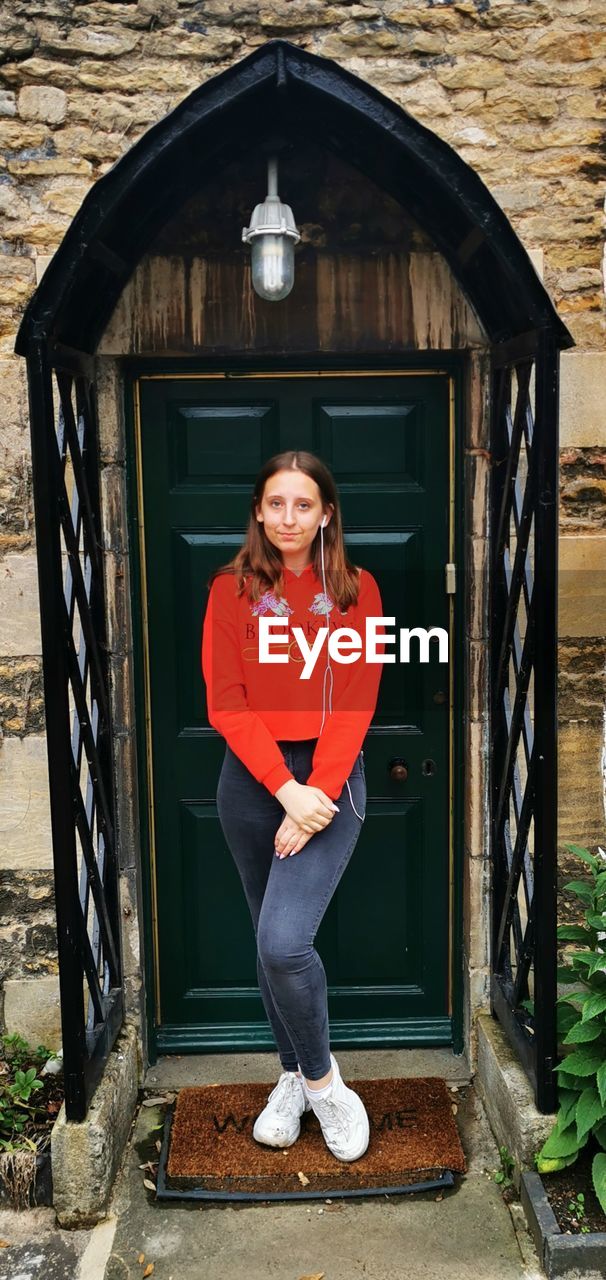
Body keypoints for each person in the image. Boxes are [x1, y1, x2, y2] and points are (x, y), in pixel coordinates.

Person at [201, 449, 384, 1162]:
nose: (288, 517)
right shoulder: (230, 590)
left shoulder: (356, 589)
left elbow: (355, 701)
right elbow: (226, 701)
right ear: (257, 510)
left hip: (331, 779)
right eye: (275, 503)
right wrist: (284, 790)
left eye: (302, 504)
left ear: (326, 513)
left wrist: (317, 791)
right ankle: (293, 1076)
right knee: (264, 940)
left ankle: (326, 1086)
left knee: (284, 941)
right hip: (252, 782)